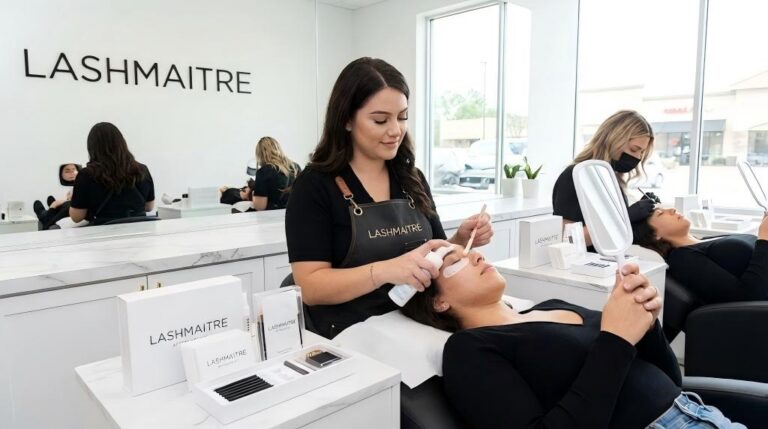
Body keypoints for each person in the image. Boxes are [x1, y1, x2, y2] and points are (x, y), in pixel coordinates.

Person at [402, 246, 745, 429]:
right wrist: (617, 339)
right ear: (438, 301)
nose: (476, 254)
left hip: (700, 413)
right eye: (455, 260)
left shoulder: (552, 305)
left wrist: (646, 323)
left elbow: (669, 381)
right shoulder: (470, 350)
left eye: (469, 249)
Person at [285, 57, 492, 339]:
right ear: (346, 119)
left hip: (413, 323)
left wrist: (458, 240)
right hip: (352, 333)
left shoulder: (411, 178)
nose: (395, 130)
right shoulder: (314, 187)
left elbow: (435, 253)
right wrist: (385, 271)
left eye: (402, 117)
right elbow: (310, 288)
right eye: (380, 120)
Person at [553, 110, 656, 247]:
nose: (637, 158)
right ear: (613, 139)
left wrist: (640, 213)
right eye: (633, 149)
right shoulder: (575, 176)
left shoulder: (611, 178)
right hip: (584, 262)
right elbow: (569, 240)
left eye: (641, 153)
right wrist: (625, 217)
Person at [634, 207, 768, 303]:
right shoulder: (683, 259)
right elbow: (749, 298)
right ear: (655, 235)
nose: (672, 209)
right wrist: (763, 238)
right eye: (660, 213)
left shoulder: (704, 242)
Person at [69, 122, 155, 225]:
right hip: (140, 234)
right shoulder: (142, 170)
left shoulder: (86, 175)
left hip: (104, 236)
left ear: (92, 148)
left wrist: (73, 198)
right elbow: (149, 207)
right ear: (122, 143)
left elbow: (76, 217)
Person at [251, 136, 301, 210]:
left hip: (273, 218)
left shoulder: (263, 172)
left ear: (260, 154)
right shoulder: (296, 167)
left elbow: (260, 207)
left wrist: (253, 195)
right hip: (295, 214)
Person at [33, 163, 81, 229]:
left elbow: (47, 224)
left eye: (74, 170)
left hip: (70, 209)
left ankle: (43, 214)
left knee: (56, 206)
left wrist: (54, 205)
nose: (72, 173)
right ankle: (54, 208)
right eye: (67, 171)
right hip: (70, 207)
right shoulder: (75, 187)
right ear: (61, 174)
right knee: (59, 204)